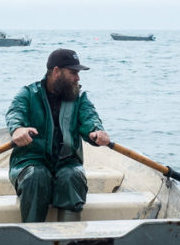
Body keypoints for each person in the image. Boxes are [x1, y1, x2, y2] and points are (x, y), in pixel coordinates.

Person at [6, 48, 111, 222]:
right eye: (73, 72)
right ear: (56, 71)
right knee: (36, 176)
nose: (78, 78)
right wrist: (17, 129)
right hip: (28, 162)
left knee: (71, 176)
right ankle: (34, 238)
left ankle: (67, 243)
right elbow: (15, 113)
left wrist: (96, 131)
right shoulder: (28, 94)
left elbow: (90, 118)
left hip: (67, 162)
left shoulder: (80, 98)